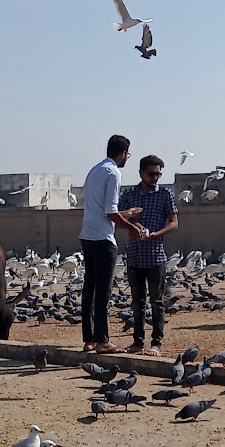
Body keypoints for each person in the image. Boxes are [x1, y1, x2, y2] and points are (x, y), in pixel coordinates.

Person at [79, 134, 146, 354]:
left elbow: (103, 210)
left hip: (87, 236)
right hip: (102, 239)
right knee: (103, 291)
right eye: (127, 154)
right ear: (123, 153)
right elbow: (109, 212)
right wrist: (131, 226)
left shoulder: (95, 170)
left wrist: (125, 214)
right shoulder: (114, 173)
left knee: (89, 289)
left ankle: (89, 340)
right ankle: (102, 341)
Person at [119, 154, 179, 354]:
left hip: (156, 256)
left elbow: (174, 222)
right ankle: (137, 342)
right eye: (152, 173)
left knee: (157, 302)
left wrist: (157, 234)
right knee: (137, 303)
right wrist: (133, 224)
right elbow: (117, 217)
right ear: (141, 173)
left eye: (158, 174)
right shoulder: (128, 195)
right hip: (135, 256)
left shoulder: (165, 195)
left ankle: (156, 343)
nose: (155, 178)